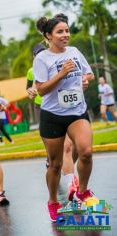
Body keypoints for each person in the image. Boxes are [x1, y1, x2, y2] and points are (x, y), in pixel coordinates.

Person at [34, 13, 98, 222]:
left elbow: (88, 74)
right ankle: (53, 201)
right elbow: (41, 90)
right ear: (48, 36)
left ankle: (82, 190)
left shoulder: (75, 52)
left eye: (67, 31)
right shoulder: (42, 58)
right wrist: (61, 74)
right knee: (55, 164)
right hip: (52, 115)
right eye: (60, 32)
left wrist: (84, 80)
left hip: (77, 111)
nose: (65, 35)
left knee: (86, 152)